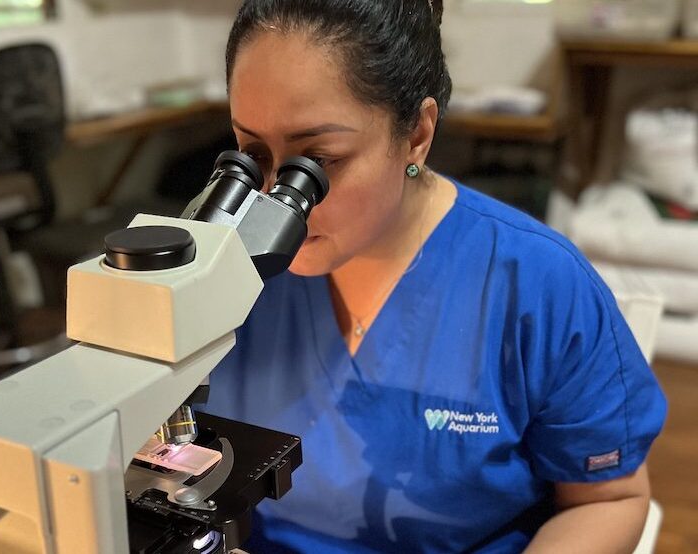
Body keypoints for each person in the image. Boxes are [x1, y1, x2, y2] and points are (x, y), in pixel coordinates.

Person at [204, 1, 668, 552]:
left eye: (318, 161)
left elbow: (608, 498)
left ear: (418, 134)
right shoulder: (219, 264)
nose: (276, 200)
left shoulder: (537, 285)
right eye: (252, 153)